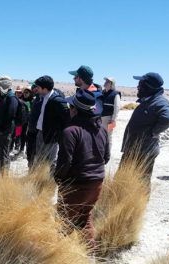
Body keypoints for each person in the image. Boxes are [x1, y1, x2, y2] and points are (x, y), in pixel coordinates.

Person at [54, 89, 110, 247]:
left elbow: (64, 163)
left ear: (75, 110)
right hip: (97, 183)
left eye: (71, 107)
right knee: (84, 218)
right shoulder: (102, 130)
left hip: (76, 184)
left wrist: (59, 181)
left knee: (63, 224)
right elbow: (106, 158)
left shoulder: (70, 131)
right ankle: (92, 252)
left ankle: (58, 254)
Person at [122, 72, 169, 182]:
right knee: (127, 178)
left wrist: (153, 132)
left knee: (141, 181)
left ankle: (138, 199)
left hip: (143, 150)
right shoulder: (148, 101)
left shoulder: (159, 101)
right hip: (136, 149)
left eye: (140, 84)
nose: (138, 86)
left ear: (148, 86)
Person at [32, 75, 70, 169]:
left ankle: (49, 182)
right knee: (39, 159)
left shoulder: (57, 100)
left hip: (51, 137)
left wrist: (58, 134)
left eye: (38, 87)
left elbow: (66, 119)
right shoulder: (43, 97)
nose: (36, 89)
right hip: (41, 133)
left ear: (44, 88)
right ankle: (39, 179)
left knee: (50, 162)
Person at [10, 87, 30, 159]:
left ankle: (23, 150)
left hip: (26, 123)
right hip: (19, 122)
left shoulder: (31, 101)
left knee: (24, 136)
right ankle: (16, 148)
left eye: (20, 92)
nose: (20, 94)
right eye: (17, 92)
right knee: (17, 135)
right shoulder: (17, 101)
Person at [101, 77, 121, 141]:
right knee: (100, 136)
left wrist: (113, 120)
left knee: (108, 137)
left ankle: (108, 151)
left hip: (108, 119)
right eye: (105, 81)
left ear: (111, 84)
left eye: (107, 81)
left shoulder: (115, 94)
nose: (105, 82)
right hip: (100, 118)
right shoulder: (102, 93)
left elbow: (117, 108)